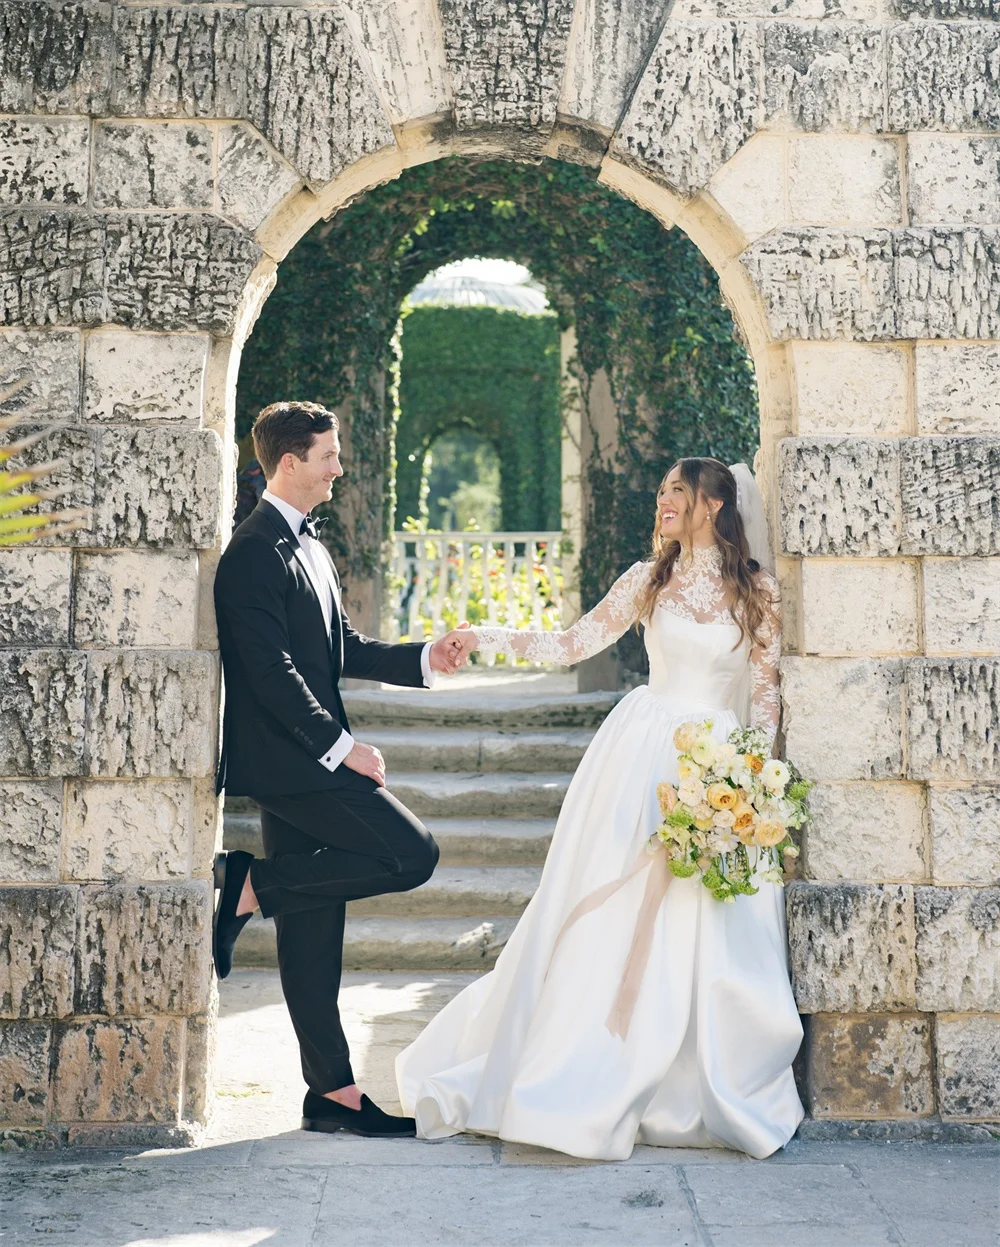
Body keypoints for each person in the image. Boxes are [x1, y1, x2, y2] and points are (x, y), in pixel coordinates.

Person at [396, 458, 805, 1160]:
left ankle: (699, 1081)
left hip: (720, 772)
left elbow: (765, 699)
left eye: (677, 489)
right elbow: (568, 643)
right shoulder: (647, 580)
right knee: (610, 910)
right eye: (663, 490)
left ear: (713, 502)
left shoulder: (756, 591)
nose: (663, 500)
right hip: (640, 761)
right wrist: (483, 637)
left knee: (707, 921)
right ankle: (589, 1061)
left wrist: (746, 785)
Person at [213, 401, 469, 1139]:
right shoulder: (252, 551)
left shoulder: (311, 549)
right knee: (409, 851)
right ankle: (249, 884)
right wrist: (341, 747)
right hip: (290, 765)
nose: (338, 467)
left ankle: (333, 1093)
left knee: (313, 932)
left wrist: (424, 657)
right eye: (328, 455)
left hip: (306, 760)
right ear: (289, 461)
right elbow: (270, 671)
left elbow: (340, 648)